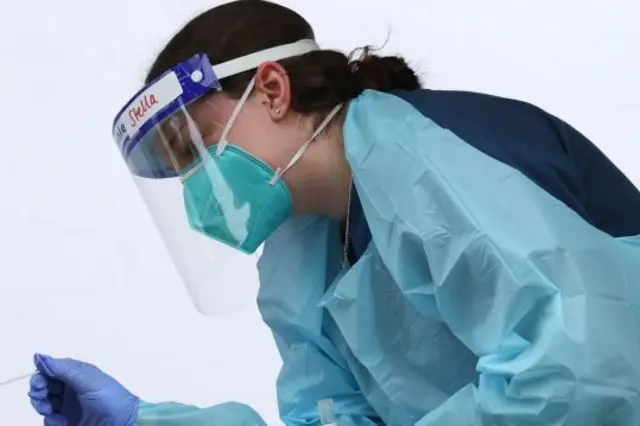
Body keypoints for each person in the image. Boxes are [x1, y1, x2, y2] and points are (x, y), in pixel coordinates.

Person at [28, 1, 640, 425]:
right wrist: (145, 422)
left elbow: (580, 373)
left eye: (197, 148)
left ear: (272, 89)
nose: (196, 185)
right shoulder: (302, 257)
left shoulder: (427, 157)